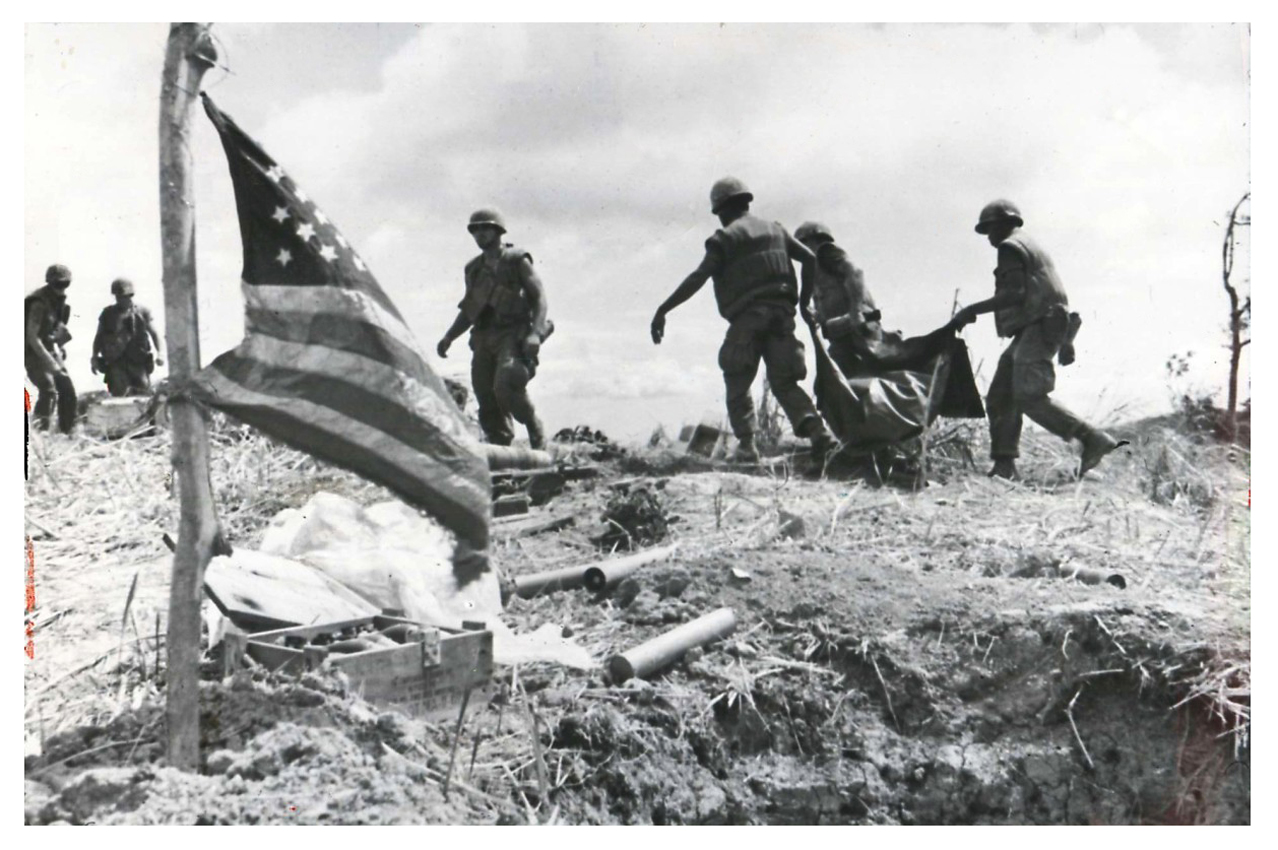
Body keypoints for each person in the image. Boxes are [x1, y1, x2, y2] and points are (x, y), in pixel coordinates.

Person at [651, 177, 835, 463]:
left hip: (748, 320)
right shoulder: (776, 229)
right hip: (782, 317)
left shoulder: (725, 238)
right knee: (786, 383)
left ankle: (748, 446)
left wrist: (664, 309)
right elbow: (810, 258)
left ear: (721, 210)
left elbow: (699, 277)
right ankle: (819, 434)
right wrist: (803, 301)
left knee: (737, 380)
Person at [951, 200, 1125, 479]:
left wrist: (970, 311)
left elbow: (1015, 294)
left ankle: (1091, 438)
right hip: (1038, 326)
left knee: (1029, 395)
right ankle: (1005, 465)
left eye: (990, 229)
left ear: (1005, 223)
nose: (989, 238)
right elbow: (1053, 295)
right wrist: (1066, 339)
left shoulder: (1011, 247)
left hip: (1040, 325)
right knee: (1001, 395)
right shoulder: (1029, 245)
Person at [437, 209, 551, 449]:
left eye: (485, 228)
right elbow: (470, 309)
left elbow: (539, 297)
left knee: (506, 383)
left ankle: (533, 427)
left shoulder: (516, 260)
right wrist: (449, 337)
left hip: (512, 333)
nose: (480, 234)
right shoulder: (474, 269)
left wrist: (535, 333)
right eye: (475, 230)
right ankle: (500, 447)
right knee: (484, 393)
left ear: (498, 231)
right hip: (483, 337)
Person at [794, 221, 883, 379]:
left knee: (877, 374)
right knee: (836, 381)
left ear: (812, 239)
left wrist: (856, 311)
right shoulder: (813, 266)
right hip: (841, 331)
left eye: (802, 243)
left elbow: (855, 272)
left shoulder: (825, 252)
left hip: (857, 325)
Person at [24, 264, 78, 434]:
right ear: (49, 283)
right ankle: (40, 433)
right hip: (33, 353)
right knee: (48, 390)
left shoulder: (60, 303)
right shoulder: (38, 303)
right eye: (58, 284)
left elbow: (56, 329)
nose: (61, 288)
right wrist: (52, 365)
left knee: (67, 390)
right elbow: (32, 337)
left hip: (51, 351)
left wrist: (60, 347)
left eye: (65, 284)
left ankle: (67, 432)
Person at [91, 278, 164, 397]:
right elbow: (99, 337)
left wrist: (160, 353)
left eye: (127, 296)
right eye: (120, 296)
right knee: (119, 397)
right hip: (116, 363)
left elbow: (154, 333)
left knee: (144, 396)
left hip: (138, 362)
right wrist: (94, 357)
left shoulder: (142, 312)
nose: (124, 299)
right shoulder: (108, 314)